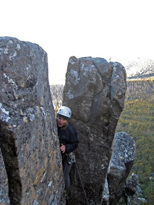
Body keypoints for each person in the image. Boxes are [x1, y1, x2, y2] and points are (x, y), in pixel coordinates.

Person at [57, 106, 79, 191]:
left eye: (64, 120)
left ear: (67, 121)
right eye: (59, 118)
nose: (61, 121)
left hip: (68, 156)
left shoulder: (71, 130)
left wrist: (66, 147)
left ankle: (66, 190)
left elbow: (75, 143)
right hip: (61, 154)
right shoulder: (55, 125)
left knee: (64, 174)